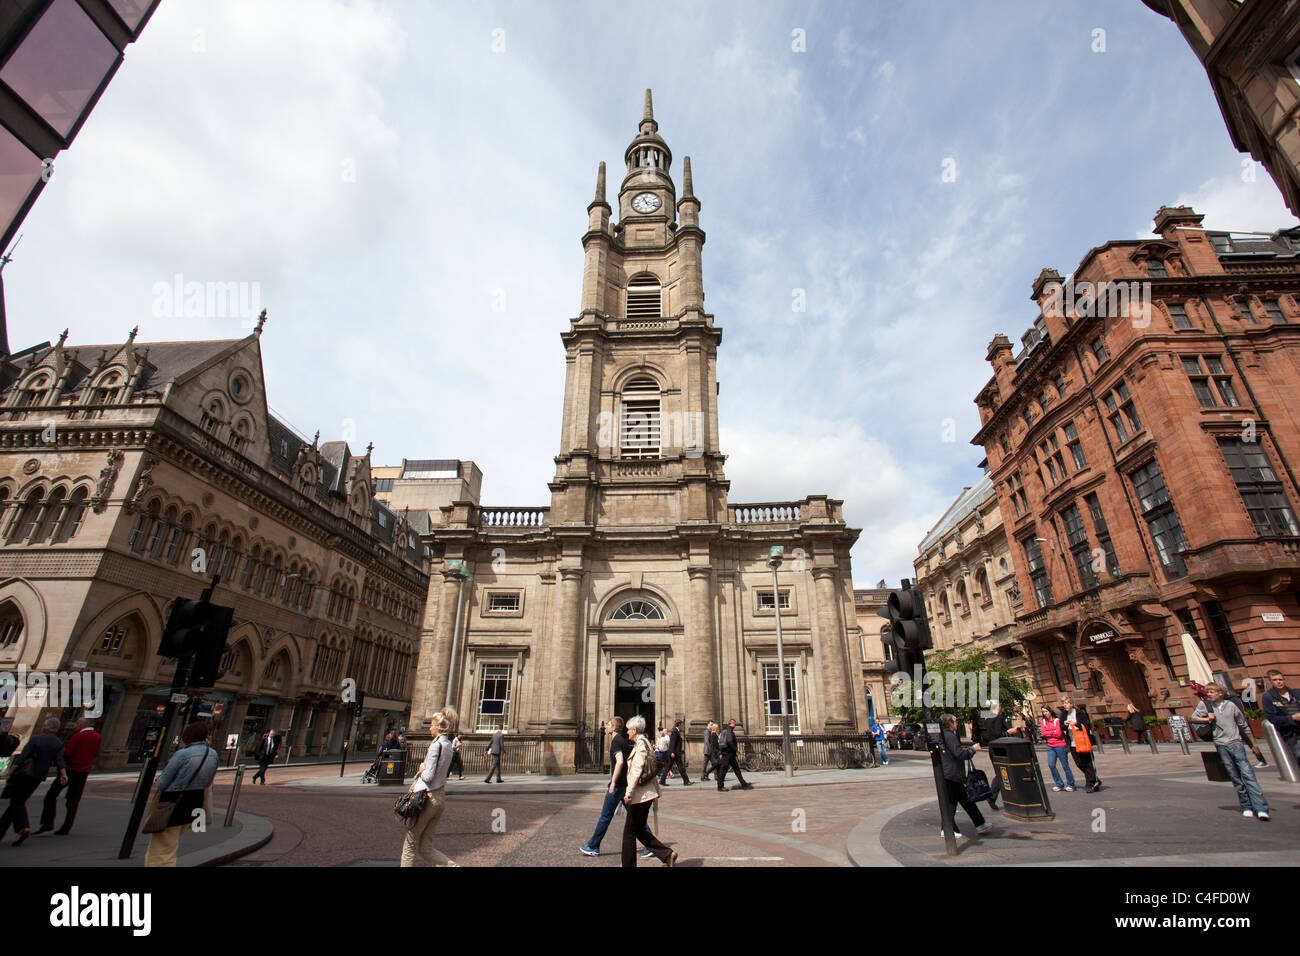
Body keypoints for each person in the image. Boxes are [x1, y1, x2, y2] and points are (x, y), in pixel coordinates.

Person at [581, 716, 663, 857]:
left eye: (608, 725)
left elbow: (621, 763)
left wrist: (613, 783)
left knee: (606, 816)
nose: (606, 727)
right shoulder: (626, 742)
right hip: (625, 785)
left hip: (619, 785)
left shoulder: (617, 742)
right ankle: (650, 846)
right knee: (635, 819)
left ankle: (593, 845)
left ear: (613, 728)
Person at [144, 721, 218, 866]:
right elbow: (208, 781)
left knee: (162, 848)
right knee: (171, 843)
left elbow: (162, 783)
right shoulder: (213, 754)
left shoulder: (183, 754)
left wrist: (159, 779)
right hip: (195, 802)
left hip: (172, 802)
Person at [1193, 682, 1270, 821]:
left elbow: (1244, 725)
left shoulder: (1231, 706)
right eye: (1208, 692)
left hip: (1236, 743)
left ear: (1220, 693)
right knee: (1235, 776)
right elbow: (1193, 718)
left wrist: (1254, 744)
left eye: (1212, 692)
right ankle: (1246, 806)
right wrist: (1207, 718)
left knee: (1248, 774)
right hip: (1220, 744)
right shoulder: (1205, 705)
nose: (1209, 694)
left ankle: (1261, 808)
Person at [400, 707, 460, 867]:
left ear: (439, 727)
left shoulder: (436, 746)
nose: (429, 727)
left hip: (427, 798)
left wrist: (421, 769)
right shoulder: (448, 745)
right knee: (426, 848)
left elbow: (429, 776)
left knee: (410, 844)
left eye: (432, 724)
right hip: (440, 798)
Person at [0, 717, 66, 846]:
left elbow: (22, 757)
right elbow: (59, 761)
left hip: (24, 774)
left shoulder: (36, 739)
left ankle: (23, 827)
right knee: (17, 802)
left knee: (16, 801)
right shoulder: (58, 743)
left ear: (45, 727)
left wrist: (10, 771)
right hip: (37, 777)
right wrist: (63, 774)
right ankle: (2, 830)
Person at [620, 715, 676, 867]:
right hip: (646, 793)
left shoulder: (640, 744)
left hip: (641, 794)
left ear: (634, 730)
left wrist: (629, 792)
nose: (627, 733)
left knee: (629, 833)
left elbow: (637, 769)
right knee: (638, 830)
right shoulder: (644, 742)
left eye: (628, 730)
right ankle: (667, 854)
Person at [38, 716, 101, 835]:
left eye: (77, 723)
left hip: (71, 770)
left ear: (83, 725)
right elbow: (96, 753)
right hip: (84, 771)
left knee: (51, 795)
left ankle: (48, 822)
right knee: (73, 800)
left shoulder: (79, 736)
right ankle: (67, 825)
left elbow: (68, 752)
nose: (74, 726)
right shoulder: (97, 736)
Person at [938, 713, 991, 838]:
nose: (957, 724)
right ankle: (946, 829)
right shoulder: (949, 736)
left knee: (966, 800)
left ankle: (980, 823)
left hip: (952, 773)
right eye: (955, 722)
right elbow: (958, 754)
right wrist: (972, 750)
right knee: (951, 803)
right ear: (950, 723)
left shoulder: (945, 735)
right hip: (952, 773)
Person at [1059, 696, 1101, 793]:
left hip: (1082, 741)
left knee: (1088, 762)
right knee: (1079, 763)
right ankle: (1095, 779)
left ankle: (1090, 784)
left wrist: (1076, 724)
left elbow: (1087, 725)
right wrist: (1064, 725)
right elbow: (1061, 727)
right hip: (1073, 743)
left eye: (1066, 703)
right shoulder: (1064, 714)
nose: (1065, 705)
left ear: (1071, 704)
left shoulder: (1079, 713)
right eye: (1064, 703)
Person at [1261, 669, 1300, 763]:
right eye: (1275, 680)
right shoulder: (1268, 697)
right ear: (1270, 681)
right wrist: (1292, 718)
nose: (1279, 682)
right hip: (1292, 734)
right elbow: (1272, 718)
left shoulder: (1297, 693)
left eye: (1280, 679)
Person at [1039, 705, 1075, 792]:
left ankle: (1071, 784)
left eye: (1046, 711)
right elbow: (1043, 733)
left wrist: (1049, 733)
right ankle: (1059, 784)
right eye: (1043, 712)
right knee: (1051, 765)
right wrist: (1052, 732)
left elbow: (1058, 734)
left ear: (1050, 711)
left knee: (1065, 765)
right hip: (1050, 746)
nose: (1045, 713)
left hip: (1060, 745)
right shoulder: (1043, 722)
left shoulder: (1056, 721)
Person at [714, 718, 752, 792]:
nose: (735, 725)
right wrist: (735, 749)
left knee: (737, 769)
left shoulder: (727, 730)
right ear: (731, 724)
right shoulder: (729, 731)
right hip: (727, 754)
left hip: (729, 754)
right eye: (734, 724)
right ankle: (720, 786)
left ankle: (743, 784)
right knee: (723, 770)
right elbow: (729, 741)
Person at [659, 719, 692, 786]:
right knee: (673, 767)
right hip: (675, 753)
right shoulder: (675, 731)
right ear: (679, 724)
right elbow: (672, 743)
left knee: (677, 767)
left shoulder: (676, 731)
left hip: (676, 753)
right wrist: (672, 752)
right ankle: (686, 781)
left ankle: (686, 781)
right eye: (681, 724)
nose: (682, 726)